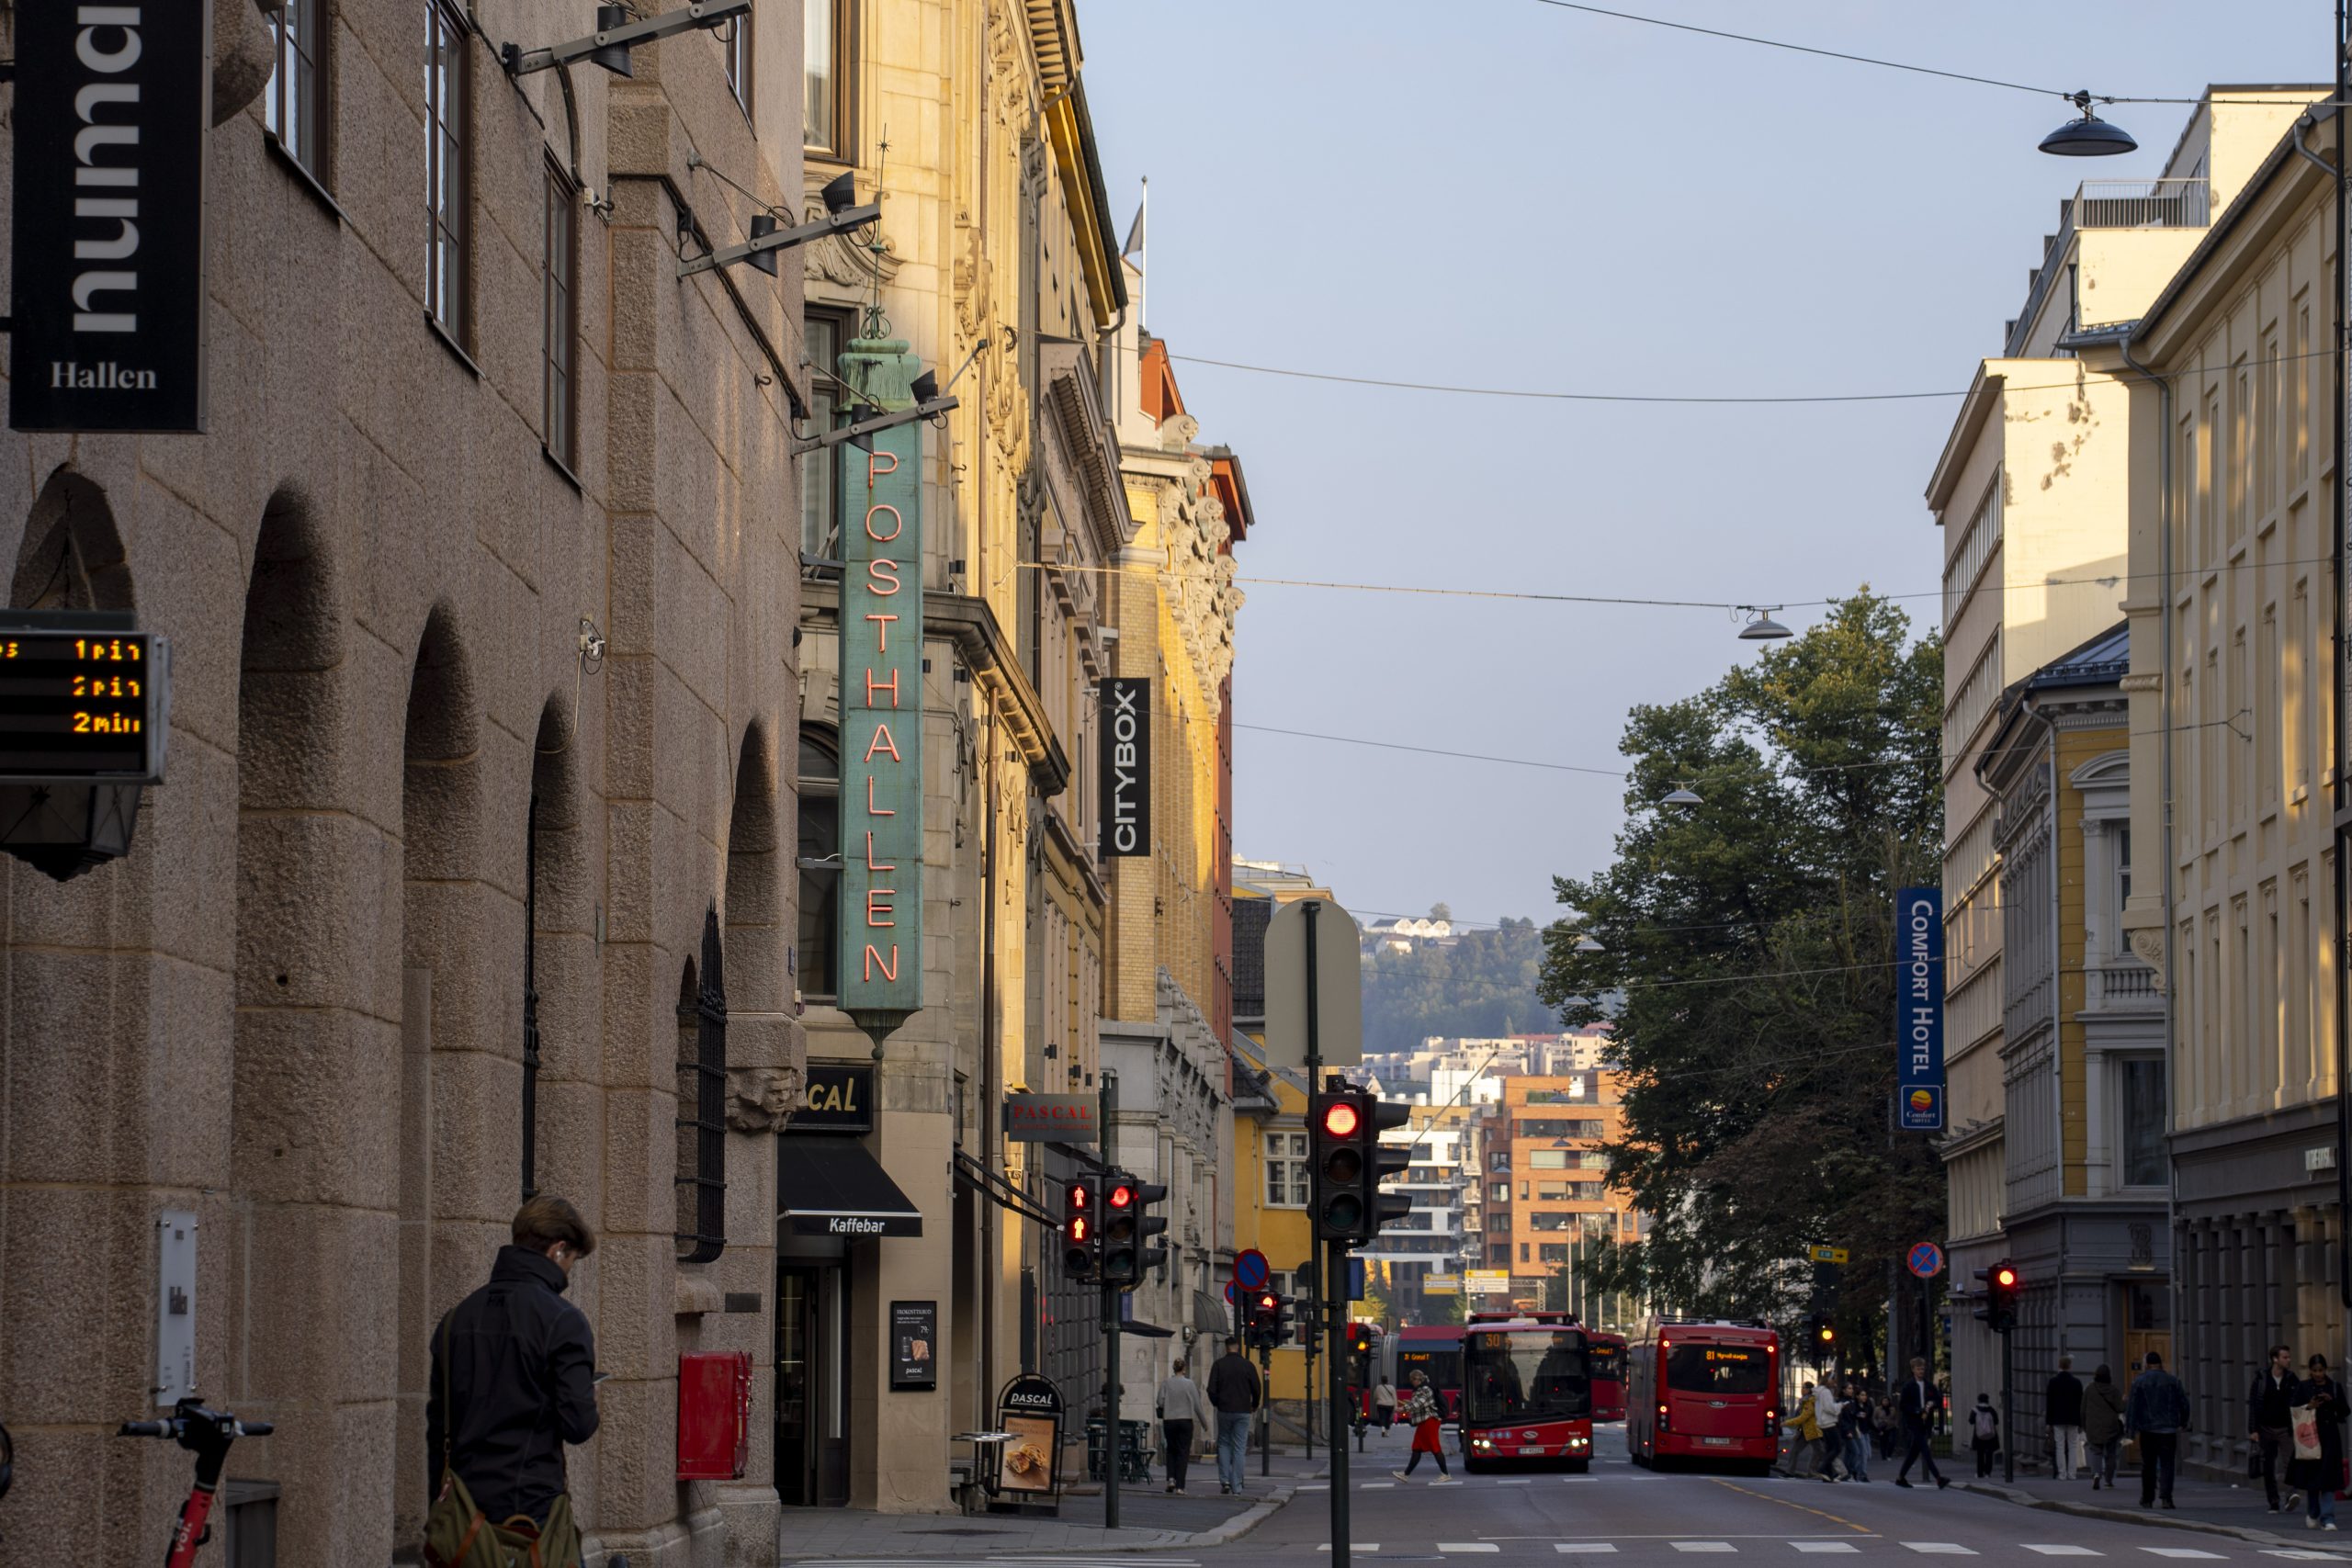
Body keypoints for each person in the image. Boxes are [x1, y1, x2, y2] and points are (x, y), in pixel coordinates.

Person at [425, 1196, 599, 1568]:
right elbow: (579, 1425)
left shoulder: (456, 1319)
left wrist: (437, 1510)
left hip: (463, 1514)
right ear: (557, 1250)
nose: (569, 1272)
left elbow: (438, 1428)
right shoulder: (563, 1321)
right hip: (530, 1515)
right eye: (572, 1260)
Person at [2125, 1349, 2190, 1509]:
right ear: (2160, 1364)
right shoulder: (2173, 1381)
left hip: (2148, 1430)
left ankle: (2147, 1499)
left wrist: (2130, 1431)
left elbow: (2132, 1407)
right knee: (2167, 1464)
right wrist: (2183, 1422)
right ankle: (2166, 1498)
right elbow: (2184, 1403)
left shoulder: (2139, 1381)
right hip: (2168, 1430)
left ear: (2147, 1364)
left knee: (2148, 1465)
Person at [2291, 1354, 2347, 1531]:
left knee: (2328, 1479)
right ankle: (2313, 1512)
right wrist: (2309, 1406)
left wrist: (2332, 1402)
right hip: (2311, 1437)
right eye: (2315, 1370)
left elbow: (2345, 1410)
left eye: (2321, 1370)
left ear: (2325, 1370)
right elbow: (2294, 1410)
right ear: (2310, 1370)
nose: (2318, 1374)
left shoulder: (2334, 1387)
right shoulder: (2304, 1387)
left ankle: (2328, 1518)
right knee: (2313, 1479)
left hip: (2330, 1438)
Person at [1205, 1336, 1261, 1496]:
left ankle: (1225, 1481)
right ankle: (1237, 1485)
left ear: (1226, 1347)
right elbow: (1256, 1388)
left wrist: (1217, 1403)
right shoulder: (1247, 1365)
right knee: (1239, 1447)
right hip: (1243, 1410)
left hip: (1224, 1409)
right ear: (1238, 1347)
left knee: (1223, 1444)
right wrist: (1254, 1404)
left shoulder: (1219, 1365)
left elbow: (1211, 1389)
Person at [2251, 1343, 2302, 1514]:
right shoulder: (2262, 1378)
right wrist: (2253, 1430)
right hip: (2266, 1429)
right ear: (2275, 1359)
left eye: (2289, 1357)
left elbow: (2299, 1401)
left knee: (2290, 1464)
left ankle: (2290, 1495)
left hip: (2286, 1429)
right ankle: (2273, 1501)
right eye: (2285, 1357)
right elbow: (2254, 1405)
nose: (2289, 1360)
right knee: (2268, 1467)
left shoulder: (2291, 1379)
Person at [1156, 1357, 1211, 1495]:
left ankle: (1171, 1479)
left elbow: (1160, 1401)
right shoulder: (1189, 1384)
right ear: (1184, 1369)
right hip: (1185, 1421)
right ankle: (1180, 1486)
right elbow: (1197, 1405)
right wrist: (1204, 1423)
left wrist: (1169, 1404)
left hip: (1169, 1420)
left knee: (1171, 1450)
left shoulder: (1166, 1383)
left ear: (1174, 1369)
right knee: (1183, 1452)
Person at [1894, 1357, 1951, 1489]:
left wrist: (1932, 1404)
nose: (1921, 1371)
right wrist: (1917, 1410)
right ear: (1913, 1370)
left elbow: (1938, 1399)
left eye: (1922, 1369)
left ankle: (1900, 1478)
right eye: (1918, 1369)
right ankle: (1938, 1478)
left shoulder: (1929, 1385)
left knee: (1914, 1453)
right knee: (1925, 1450)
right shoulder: (1908, 1386)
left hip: (1926, 1422)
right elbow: (1903, 1405)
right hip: (1914, 1422)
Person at [1391, 1368, 1453, 1483]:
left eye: (1412, 1380)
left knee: (1435, 1447)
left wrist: (1402, 1409)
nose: (1411, 1383)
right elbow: (1419, 1403)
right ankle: (1405, 1474)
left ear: (1417, 1379)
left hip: (1430, 1421)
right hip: (1425, 1421)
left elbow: (1419, 1403)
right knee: (1417, 1448)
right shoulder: (1422, 1388)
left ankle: (1445, 1474)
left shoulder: (1425, 1389)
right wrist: (1408, 1404)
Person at [2083, 1364, 2128, 1491]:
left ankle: (2096, 1474)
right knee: (2111, 1454)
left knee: (2096, 1451)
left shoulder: (2090, 1389)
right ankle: (2108, 1480)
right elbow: (2120, 1408)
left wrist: (2084, 1425)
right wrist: (2125, 1401)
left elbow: (2083, 1408)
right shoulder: (2113, 1390)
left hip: (2093, 1426)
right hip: (2110, 1426)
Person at [2048, 1356, 2086, 1481]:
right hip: (2073, 1418)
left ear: (2059, 1366)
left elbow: (2050, 1403)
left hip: (2058, 1418)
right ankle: (2072, 1473)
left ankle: (2062, 1473)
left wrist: (2049, 1421)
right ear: (2070, 1366)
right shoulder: (2076, 1382)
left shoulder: (2053, 1382)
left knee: (2059, 1446)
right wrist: (2081, 1421)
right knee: (2073, 1446)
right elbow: (2081, 1403)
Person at [1813, 1380, 1847, 1482]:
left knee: (1829, 1449)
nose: (1835, 1383)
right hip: (1829, 1423)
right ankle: (1822, 1469)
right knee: (1837, 1447)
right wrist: (1840, 1405)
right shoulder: (1826, 1392)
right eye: (1833, 1380)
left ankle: (1828, 1474)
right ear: (1828, 1381)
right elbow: (1830, 1408)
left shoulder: (1819, 1392)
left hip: (1822, 1423)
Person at [1842, 1380, 1873, 1483]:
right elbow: (1849, 1417)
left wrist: (1877, 1430)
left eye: (1865, 1395)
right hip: (1857, 1431)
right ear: (1857, 1396)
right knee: (1859, 1452)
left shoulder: (1868, 1406)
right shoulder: (1852, 1404)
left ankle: (1852, 1471)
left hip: (1865, 1431)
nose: (1864, 1397)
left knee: (1864, 1454)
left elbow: (1869, 1420)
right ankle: (1859, 1473)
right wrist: (1857, 1416)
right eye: (1862, 1395)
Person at [1969, 1393, 2001, 1478]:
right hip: (1990, 1435)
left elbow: (1971, 1421)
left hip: (1979, 1435)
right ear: (1987, 1400)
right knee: (1989, 1454)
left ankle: (1980, 1473)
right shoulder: (1991, 1410)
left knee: (1980, 1455)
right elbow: (1996, 1421)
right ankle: (1988, 1472)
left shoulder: (1975, 1410)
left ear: (1978, 1400)